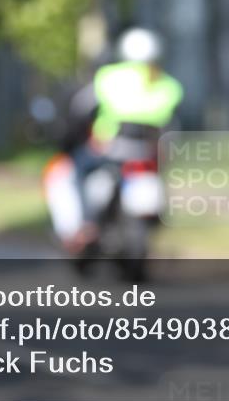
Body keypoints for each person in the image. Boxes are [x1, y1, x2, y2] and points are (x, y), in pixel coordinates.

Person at [46, 28, 183, 254]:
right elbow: (175, 123)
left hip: (108, 151)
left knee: (65, 175)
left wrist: (68, 141)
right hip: (148, 153)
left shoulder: (108, 78)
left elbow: (79, 111)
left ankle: (79, 229)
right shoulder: (169, 85)